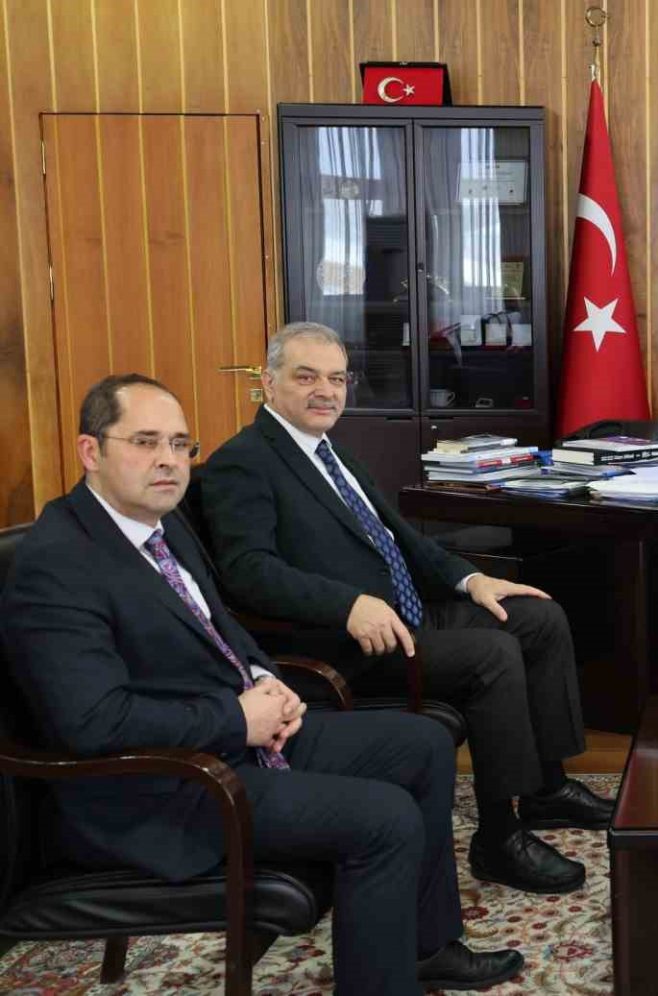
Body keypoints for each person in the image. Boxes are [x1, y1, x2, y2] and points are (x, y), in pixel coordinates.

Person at [0, 374, 521, 994]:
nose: (168, 460)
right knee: (386, 819)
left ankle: (425, 949)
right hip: (162, 789)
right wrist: (237, 718)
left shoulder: (160, 524)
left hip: (229, 742)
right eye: (145, 442)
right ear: (91, 451)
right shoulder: (58, 562)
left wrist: (265, 677)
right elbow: (91, 722)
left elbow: (220, 624)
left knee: (424, 744)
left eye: (180, 444)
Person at [198, 322, 612, 898]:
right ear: (269, 383)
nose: (326, 391)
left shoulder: (329, 451)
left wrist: (470, 579)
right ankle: (498, 836)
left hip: (405, 613)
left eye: (337, 378)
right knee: (492, 654)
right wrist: (346, 605)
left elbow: (402, 540)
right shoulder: (243, 462)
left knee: (538, 617)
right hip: (345, 643)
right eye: (306, 377)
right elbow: (249, 572)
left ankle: (546, 788)